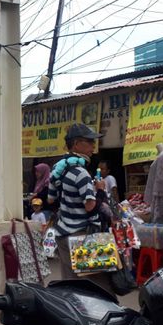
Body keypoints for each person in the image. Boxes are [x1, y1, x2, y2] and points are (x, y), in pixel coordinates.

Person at [48, 124, 111, 293]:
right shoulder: (81, 173)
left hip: (62, 234)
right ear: (76, 144)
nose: (93, 146)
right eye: (89, 142)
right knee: (98, 288)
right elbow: (90, 207)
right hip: (82, 235)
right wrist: (100, 190)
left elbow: (51, 199)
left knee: (71, 287)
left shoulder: (57, 169)